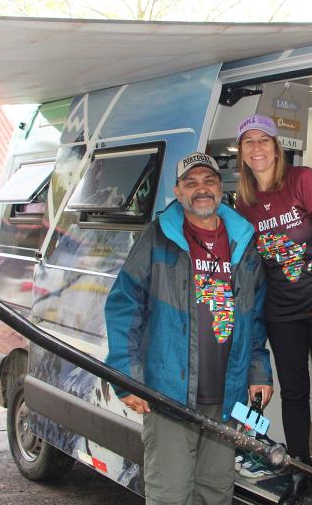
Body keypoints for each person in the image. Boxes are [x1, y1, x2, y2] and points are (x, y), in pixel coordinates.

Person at [104, 151, 273, 505]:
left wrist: (259, 371)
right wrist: (125, 374)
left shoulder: (243, 241)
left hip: (227, 393)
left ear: (220, 187)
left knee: (216, 492)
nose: (201, 189)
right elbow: (124, 306)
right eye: (191, 183)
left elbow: (255, 317)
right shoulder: (158, 238)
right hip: (169, 393)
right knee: (171, 494)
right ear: (178, 192)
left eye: (209, 181)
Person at [234, 115, 312, 505]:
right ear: (241, 152)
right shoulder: (244, 200)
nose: (256, 148)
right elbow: (250, 260)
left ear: (276, 145)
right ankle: (300, 471)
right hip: (281, 310)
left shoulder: (304, 179)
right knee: (295, 393)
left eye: (263, 140)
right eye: (248, 142)